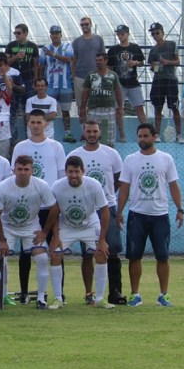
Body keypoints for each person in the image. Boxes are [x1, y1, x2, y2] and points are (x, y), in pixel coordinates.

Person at [117, 123, 184, 307]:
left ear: (154, 137)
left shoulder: (166, 158)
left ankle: (163, 295)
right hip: (137, 215)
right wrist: (119, 212)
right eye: (139, 136)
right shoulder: (130, 159)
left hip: (160, 215)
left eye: (146, 136)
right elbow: (124, 188)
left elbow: (173, 185)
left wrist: (180, 209)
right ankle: (135, 294)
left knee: (163, 256)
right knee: (134, 256)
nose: (142, 139)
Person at [66, 120, 126, 304]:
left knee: (112, 250)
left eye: (95, 131)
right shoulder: (75, 154)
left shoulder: (111, 153)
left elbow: (119, 178)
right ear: (83, 133)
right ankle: (89, 293)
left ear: (100, 133)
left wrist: (106, 195)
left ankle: (115, 292)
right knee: (88, 254)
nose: (92, 134)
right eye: (88, 131)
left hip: (108, 206)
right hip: (86, 209)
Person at [41, 156, 112, 310]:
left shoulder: (94, 185)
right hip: (67, 226)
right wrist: (55, 236)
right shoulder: (57, 186)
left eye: (76, 172)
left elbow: (105, 211)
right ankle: (58, 298)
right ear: (66, 172)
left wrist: (102, 240)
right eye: (70, 172)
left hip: (90, 224)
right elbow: (54, 212)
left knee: (101, 254)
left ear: (83, 171)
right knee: (55, 255)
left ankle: (100, 298)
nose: (73, 175)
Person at [11, 109, 66, 304]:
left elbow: (61, 178)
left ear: (45, 124)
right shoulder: (20, 147)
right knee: (26, 251)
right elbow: (14, 175)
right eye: (32, 122)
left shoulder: (56, 146)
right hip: (28, 208)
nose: (35, 125)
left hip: (50, 207)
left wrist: (58, 206)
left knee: (55, 249)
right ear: (28, 123)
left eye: (39, 122)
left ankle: (59, 293)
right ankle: (24, 293)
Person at [0, 155, 57, 309]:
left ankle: (41, 298)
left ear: (32, 171)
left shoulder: (41, 185)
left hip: (31, 227)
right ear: (13, 170)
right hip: (7, 227)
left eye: (26, 169)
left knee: (42, 258)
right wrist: (2, 240)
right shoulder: (3, 187)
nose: (22, 172)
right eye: (19, 169)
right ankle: (3, 295)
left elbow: (54, 208)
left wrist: (45, 232)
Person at [107, 24, 147, 142]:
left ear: (127, 34)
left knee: (139, 108)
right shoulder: (113, 50)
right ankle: (122, 135)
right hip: (119, 84)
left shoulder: (135, 47)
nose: (120, 36)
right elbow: (109, 67)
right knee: (118, 110)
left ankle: (147, 132)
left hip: (133, 82)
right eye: (118, 34)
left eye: (122, 34)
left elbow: (142, 62)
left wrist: (135, 63)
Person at [38, 25, 76, 142]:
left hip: (65, 85)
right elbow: (42, 65)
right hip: (50, 85)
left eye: (57, 33)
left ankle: (67, 133)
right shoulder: (45, 49)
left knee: (66, 111)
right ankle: (44, 133)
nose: (55, 35)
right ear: (50, 35)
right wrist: (40, 79)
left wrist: (53, 55)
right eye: (53, 33)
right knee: (47, 110)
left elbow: (69, 59)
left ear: (61, 35)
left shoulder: (67, 46)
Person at [147, 22, 182, 143]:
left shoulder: (171, 45)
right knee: (158, 107)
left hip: (170, 79)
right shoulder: (153, 50)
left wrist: (167, 62)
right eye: (153, 34)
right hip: (158, 80)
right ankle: (156, 134)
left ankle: (179, 134)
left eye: (157, 33)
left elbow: (178, 62)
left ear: (162, 33)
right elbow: (152, 67)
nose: (155, 36)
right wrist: (154, 67)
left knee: (174, 107)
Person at [79, 53, 123, 147]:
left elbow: (118, 91)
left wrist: (120, 107)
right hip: (94, 108)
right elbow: (85, 91)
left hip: (109, 109)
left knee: (108, 137)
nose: (98, 62)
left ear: (106, 61)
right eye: (96, 60)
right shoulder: (91, 75)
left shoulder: (113, 75)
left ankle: (109, 153)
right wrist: (82, 108)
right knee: (92, 133)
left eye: (100, 60)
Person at [5, 25, 38, 141]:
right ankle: (12, 138)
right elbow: (6, 62)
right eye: (15, 33)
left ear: (25, 33)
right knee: (12, 109)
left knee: (27, 109)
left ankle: (28, 136)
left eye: (18, 33)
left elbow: (36, 65)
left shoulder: (33, 46)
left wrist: (35, 81)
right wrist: (16, 57)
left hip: (28, 80)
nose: (16, 35)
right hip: (13, 80)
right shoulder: (11, 45)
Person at [0, 52, 25, 142]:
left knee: (12, 125)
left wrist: (13, 85)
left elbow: (23, 89)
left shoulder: (15, 72)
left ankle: (12, 145)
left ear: (3, 62)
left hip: (12, 104)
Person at [72, 16, 105, 97]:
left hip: (96, 75)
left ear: (91, 25)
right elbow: (73, 60)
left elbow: (103, 58)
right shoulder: (76, 42)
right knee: (81, 102)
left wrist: (103, 73)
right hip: (80, 77)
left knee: (96, 101)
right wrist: (74, 76)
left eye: (86, 24)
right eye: (82, 25)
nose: (84, 26)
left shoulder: (99, 39)